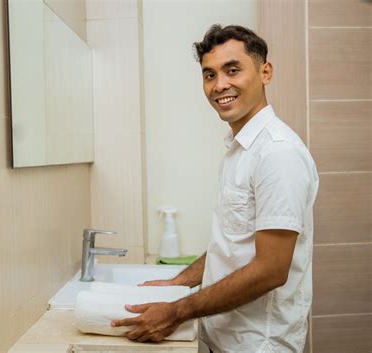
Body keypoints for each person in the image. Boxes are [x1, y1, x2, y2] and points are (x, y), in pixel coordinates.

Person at [111, 24, 319, 353]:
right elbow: (233, 245)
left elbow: (271, 270)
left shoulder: (278, 153)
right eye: (209, 75)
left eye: (232, 70)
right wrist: (177, 283)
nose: (219, 85)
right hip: (224, 337)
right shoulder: (240, 149)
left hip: (257, 344)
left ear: (266, 72)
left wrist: (177, 311)